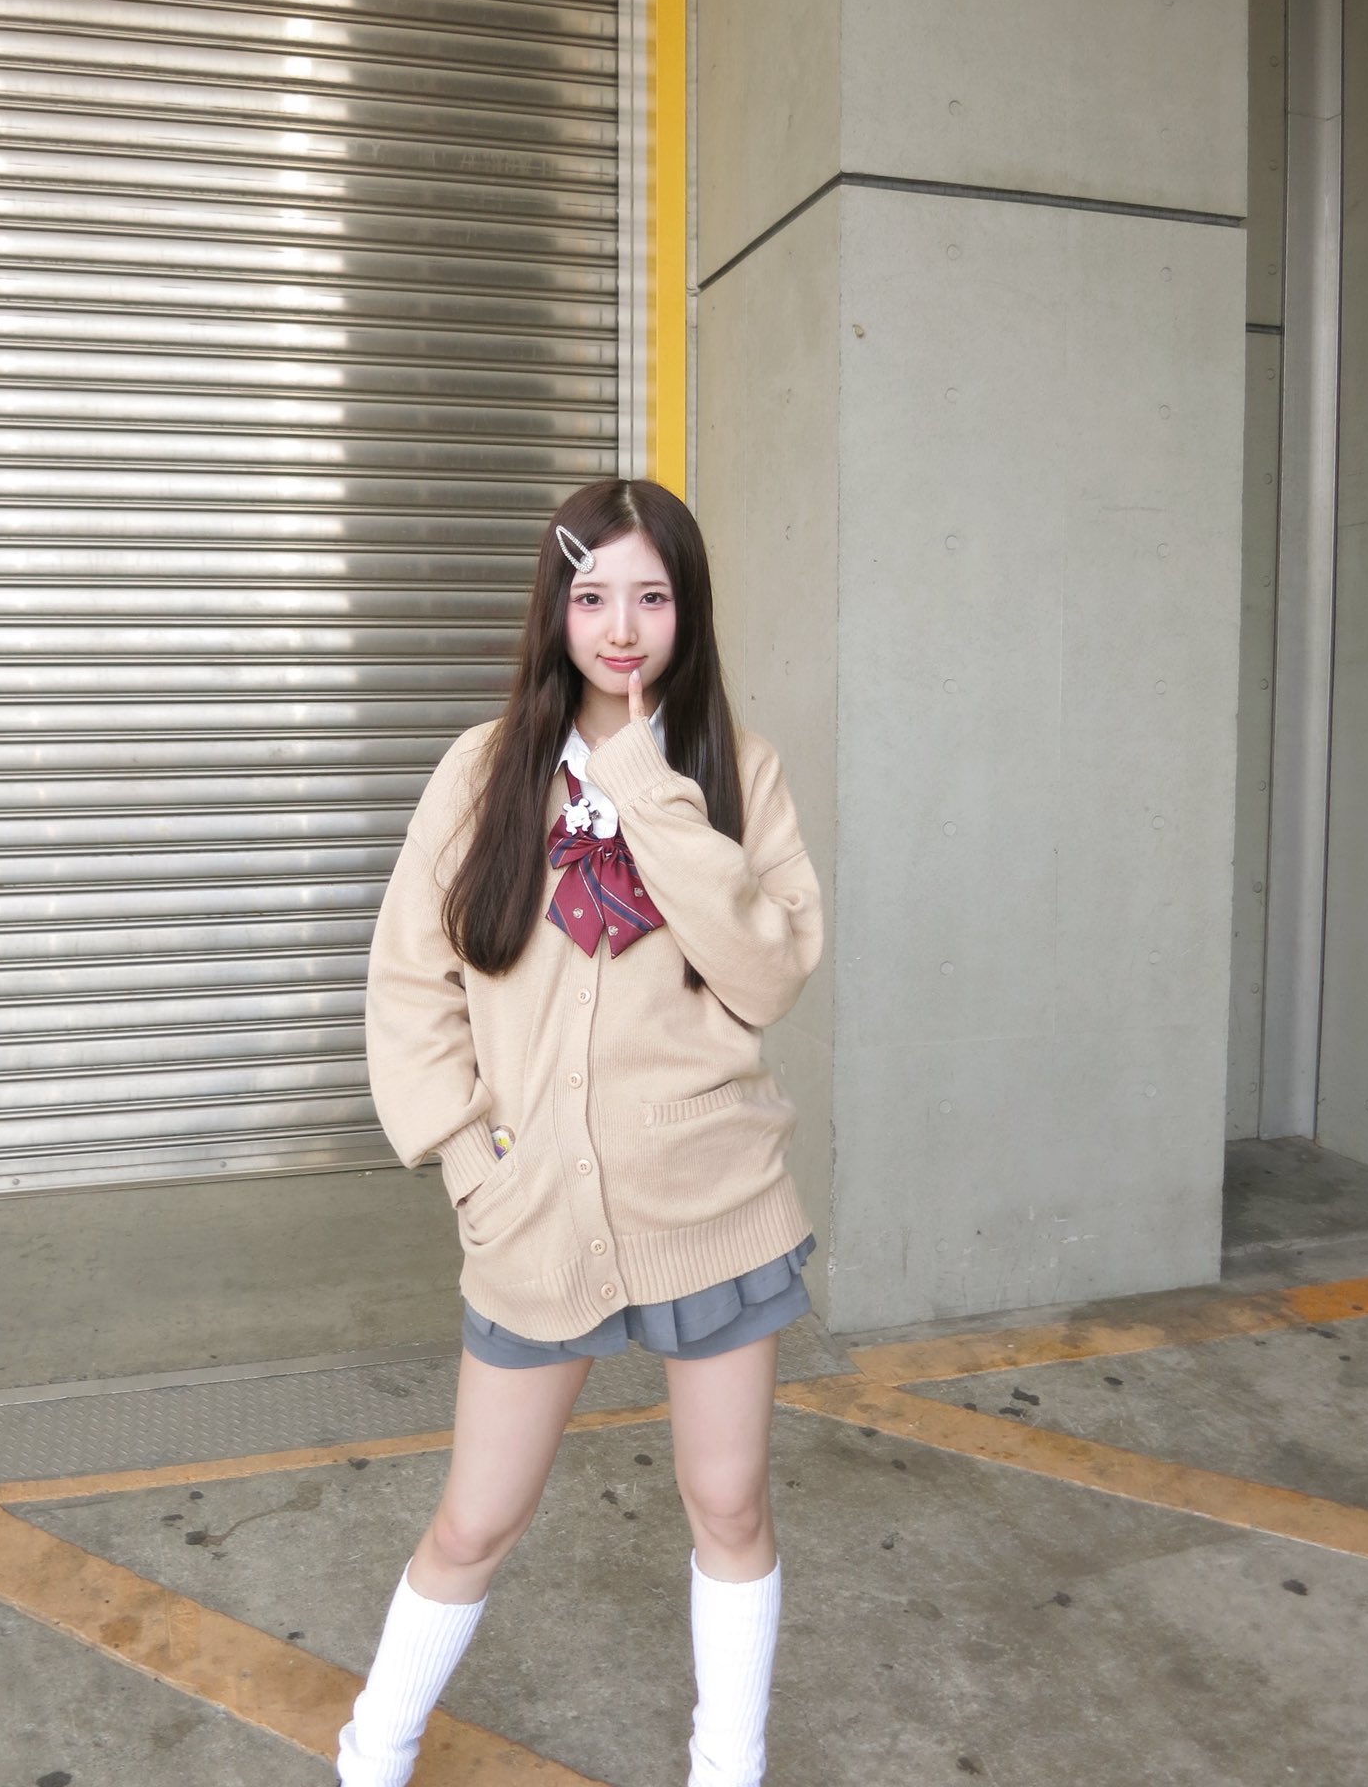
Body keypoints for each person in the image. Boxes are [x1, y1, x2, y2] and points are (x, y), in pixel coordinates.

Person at [336, 477, 823, 1787]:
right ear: (555, 608)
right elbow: (411, 984)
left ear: (687, 611)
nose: (620, 627)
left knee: (730, 1504)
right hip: (532, 1211)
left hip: (712, 1201)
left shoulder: (739, 773)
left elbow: (768, 975)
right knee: (474, 1521)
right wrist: (469, 1165)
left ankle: (729, 1767)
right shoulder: (482, 772)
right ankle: (372, 1752)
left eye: (651, 597)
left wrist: (648, 789)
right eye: (592, 594)